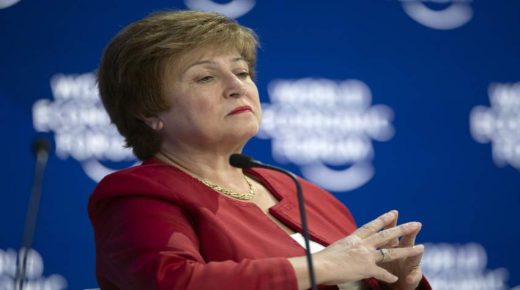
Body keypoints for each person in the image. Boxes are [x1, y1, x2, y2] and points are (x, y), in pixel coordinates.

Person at [88, 10, 431, 290]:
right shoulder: (137, 195)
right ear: (149, 112)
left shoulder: (303, 193)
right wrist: (319, 267)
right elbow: (174, 282)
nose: (237, 87)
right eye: (205, 78)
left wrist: (394, 285)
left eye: (241, 72)